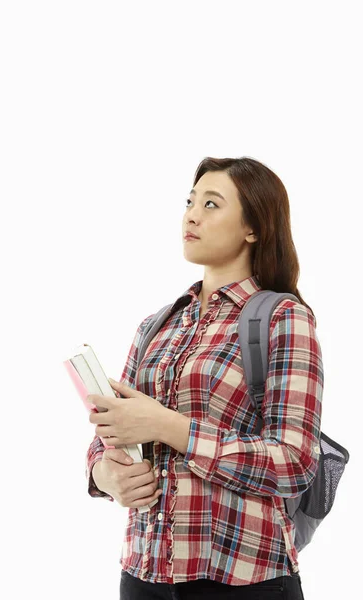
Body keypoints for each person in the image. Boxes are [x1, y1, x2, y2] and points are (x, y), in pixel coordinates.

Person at [86, 156, 322, 599]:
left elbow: (295, 462)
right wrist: (104, 473)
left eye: (212, 204)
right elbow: (110, 431)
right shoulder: (156, 325)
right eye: (190, 201)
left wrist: (170, 427)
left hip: (244, 578)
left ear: (253, 227)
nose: (191, 214)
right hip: (144, 575)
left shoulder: (283, 318)